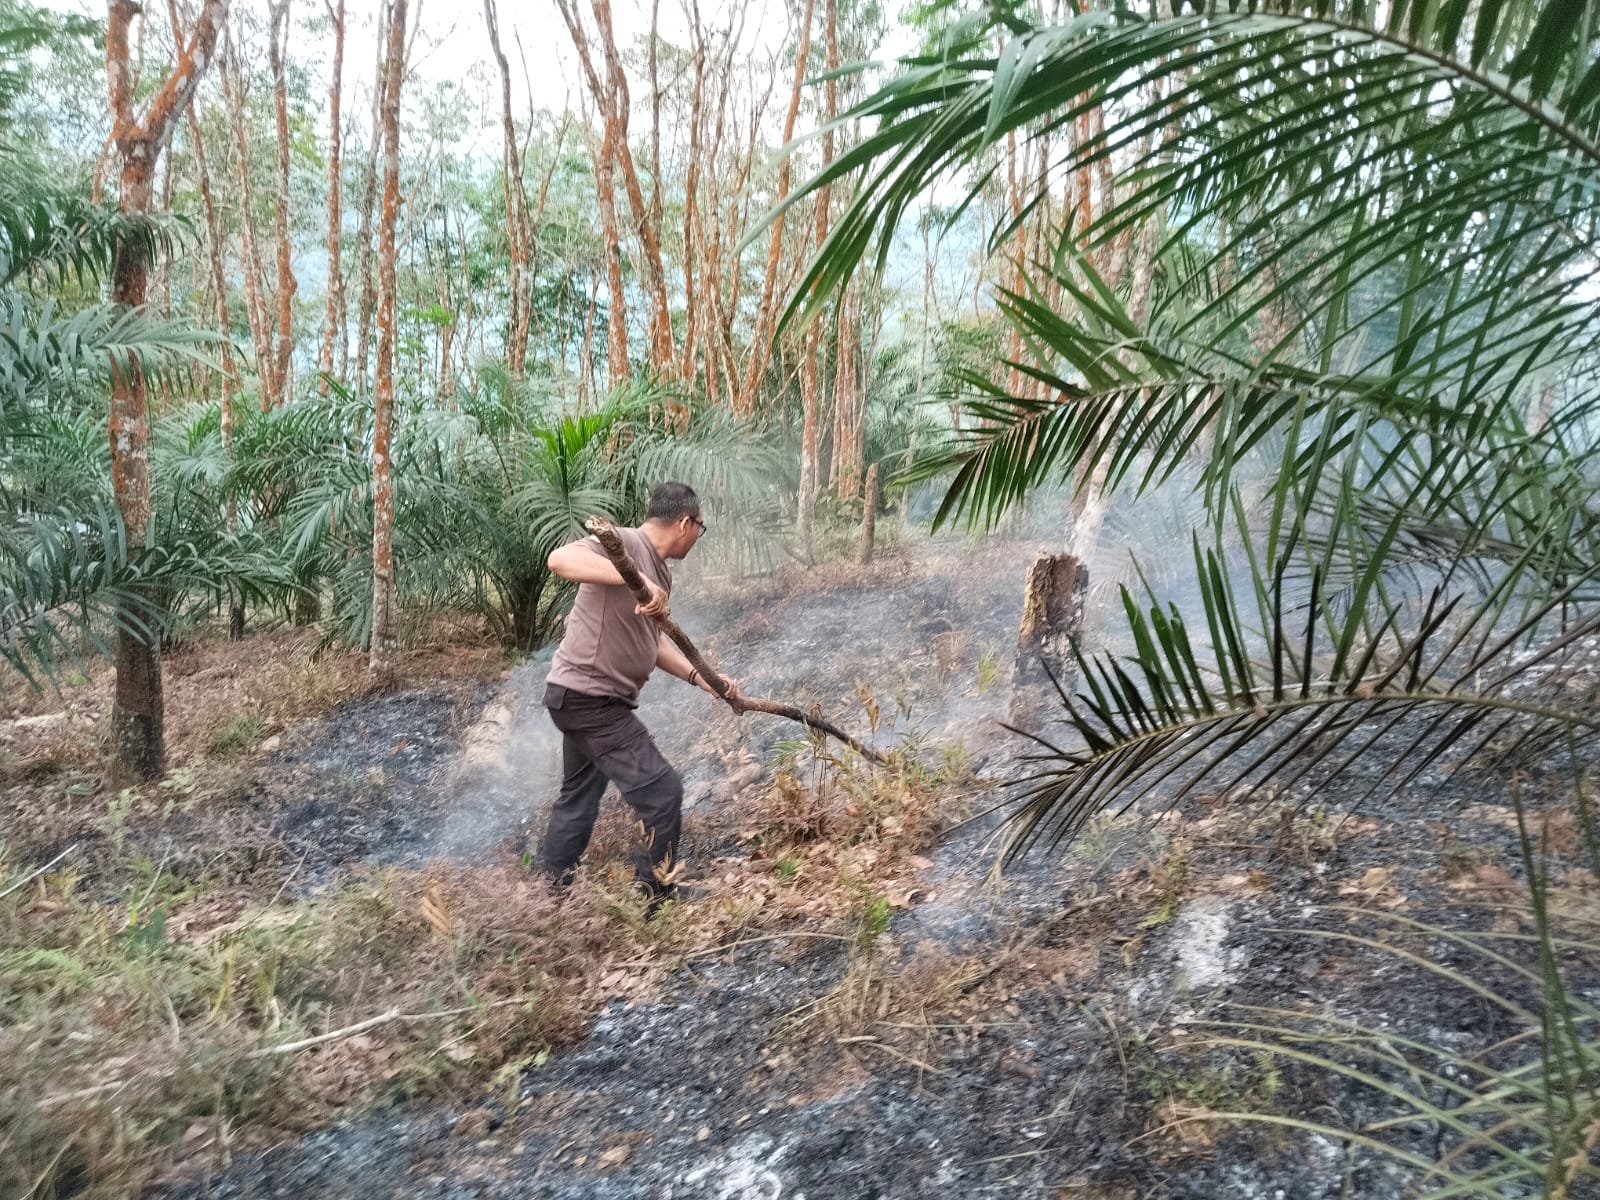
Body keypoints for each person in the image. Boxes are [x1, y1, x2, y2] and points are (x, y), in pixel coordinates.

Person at [538, 481, 737, 902]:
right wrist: (631, 577)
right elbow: (559, 559)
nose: (697, 536)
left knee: (578, 799)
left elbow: (652, 641)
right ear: (685, 522)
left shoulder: (659, 571)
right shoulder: (626, 543)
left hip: (580, 698)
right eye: (700, 528)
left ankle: (549, 895)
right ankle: (653, 896)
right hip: (590, 700)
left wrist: (701, 678)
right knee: (663, 793)